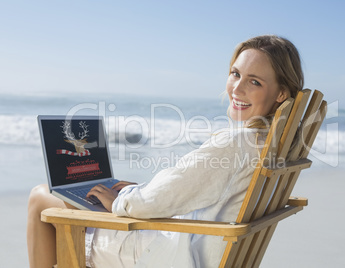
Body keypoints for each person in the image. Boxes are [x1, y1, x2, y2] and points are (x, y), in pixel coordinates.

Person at [27, 34, 304, 268]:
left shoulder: (235, 144)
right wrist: (135, 190)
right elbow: (188, 189)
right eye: (235, 74)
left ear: (281, 93)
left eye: (254, 82)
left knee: (41, 197)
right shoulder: (269, 145)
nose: (237, 88)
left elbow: (148, 204)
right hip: (191, 245)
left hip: (166, 255)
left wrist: (121, 200)